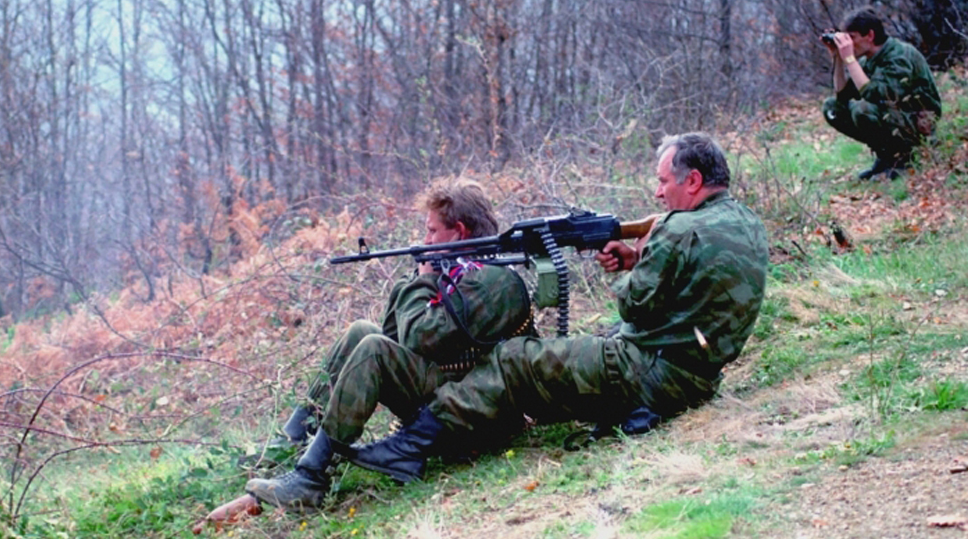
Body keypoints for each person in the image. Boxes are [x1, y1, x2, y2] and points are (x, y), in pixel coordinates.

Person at [343, 132, 769, 488]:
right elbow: (695, 289)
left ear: (692, 181)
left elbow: (633, 305)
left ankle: (411, 445)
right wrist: (639, 260)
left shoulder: (676, 229)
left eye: (663, 182)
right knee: (586, 343)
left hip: (654, 372)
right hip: (697, 373)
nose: (658, 193)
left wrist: (639, 259)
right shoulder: (745, 221)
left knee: (514, 357)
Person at [245, 177, 535, 507]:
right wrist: (419, 279)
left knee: (374, 349)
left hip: (472, 413)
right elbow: (395, 334)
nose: (425, 240)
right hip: (449, 393)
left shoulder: (492, 281)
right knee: (362, 332)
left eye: (432, 231)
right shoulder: (459, 272)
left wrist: (425, 281)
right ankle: (289, 443)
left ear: (459, 232)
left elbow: (418, 338)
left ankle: (310, 477)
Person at [821, 7, 942, 181]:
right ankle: (885, 158)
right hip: (896, 117)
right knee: (833, 108)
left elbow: (878, 95)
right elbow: (843, 96)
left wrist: (850, 60)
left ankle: (903, 161)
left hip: (918, 121)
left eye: (852, 37)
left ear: (870, 35)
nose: (848, 44)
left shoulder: (899, 56)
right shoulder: (869, 60)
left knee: (863, 110)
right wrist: (838, 58)